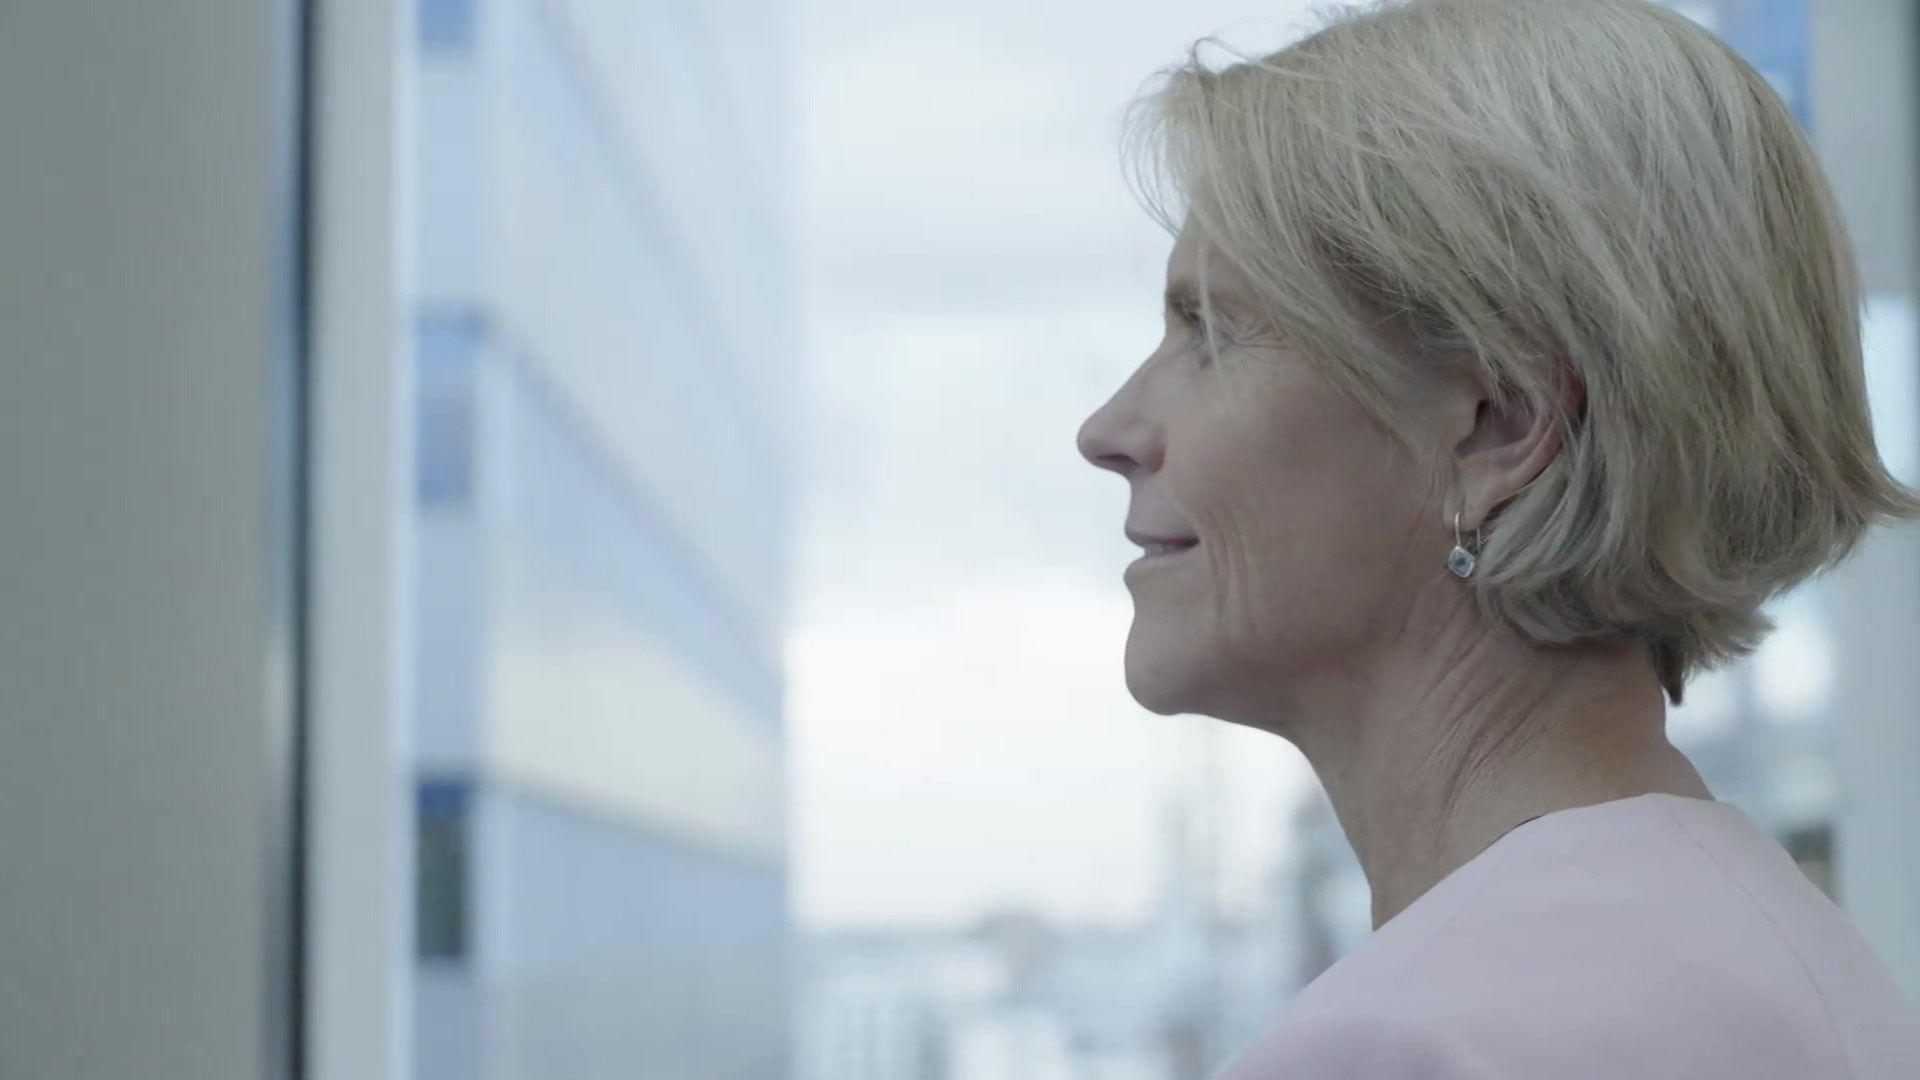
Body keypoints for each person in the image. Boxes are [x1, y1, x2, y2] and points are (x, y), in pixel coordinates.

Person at [1075, 0, 1920, 1075]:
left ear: (1501, 425)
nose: (1107, 431)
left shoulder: (1427, 1038)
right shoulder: (1775, 954)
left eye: (1210, 330)